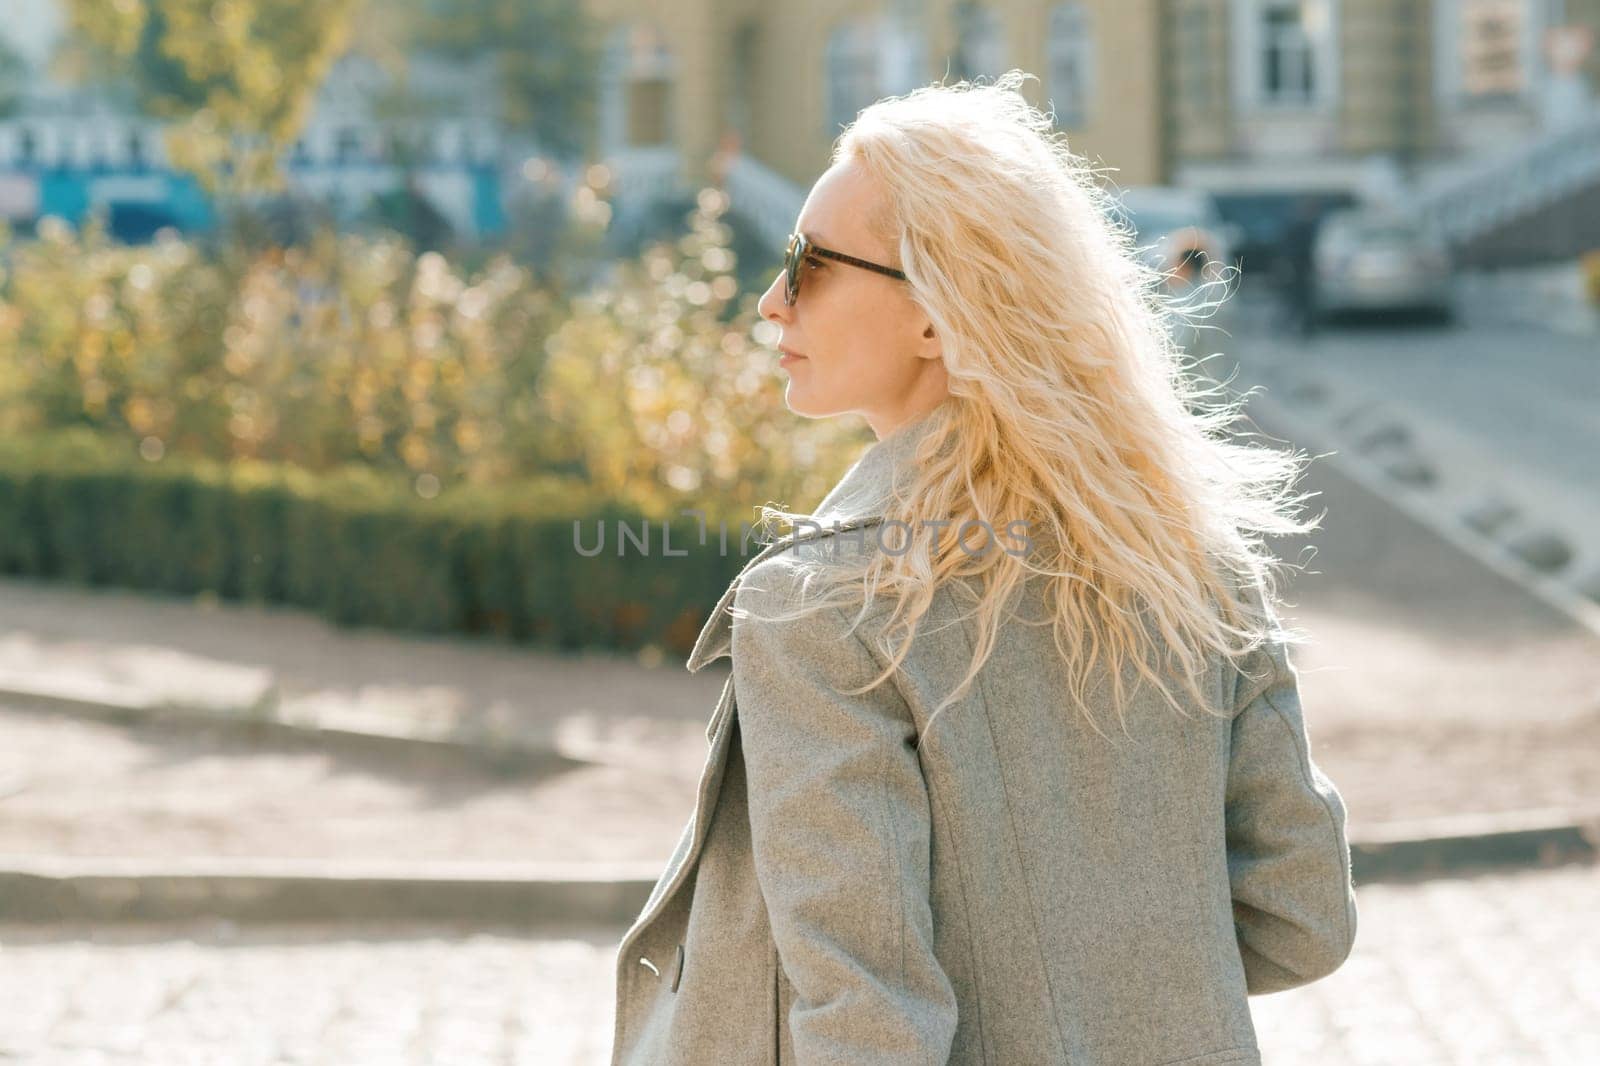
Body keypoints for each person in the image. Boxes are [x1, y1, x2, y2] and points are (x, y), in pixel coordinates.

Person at [610, 71, 1357, 1065]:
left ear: (934, 313)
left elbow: (867, 1025)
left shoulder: (824, 602)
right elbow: (1301, 912)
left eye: (808, 264)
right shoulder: (1191, 559)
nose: (769, 300)